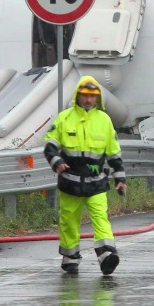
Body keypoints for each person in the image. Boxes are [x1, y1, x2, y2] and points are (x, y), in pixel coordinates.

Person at [44, 76, 127, 275]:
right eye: (84, 95)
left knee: (100, 218)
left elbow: (113, 152)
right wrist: (56, 162)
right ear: (77, 95)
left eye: (92, 96)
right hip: (70, 181)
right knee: (69, 221)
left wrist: (120, 178)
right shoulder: (64, 118)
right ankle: (70, 257)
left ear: (97, 97)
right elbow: (50, 145)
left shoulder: (104, 120)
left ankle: (107, 255)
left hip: (96, 181)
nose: (88, 100)